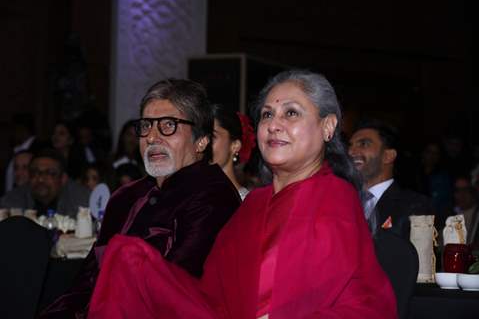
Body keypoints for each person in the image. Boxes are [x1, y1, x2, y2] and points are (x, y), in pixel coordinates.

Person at [87, 70, 397, 319]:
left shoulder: (333, 197)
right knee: (127, 257)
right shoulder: (256, 202)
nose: (274, 125)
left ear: (328, 127)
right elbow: (212, 292)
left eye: (291, 113)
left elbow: (334, 303)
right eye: (266, 115)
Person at [40, 79, 241, 318]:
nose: (153, 137)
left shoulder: (214, 195)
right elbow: (86, 280)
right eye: (146, 126)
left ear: (201, 140)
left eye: (168, 125)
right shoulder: (125, 197)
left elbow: (177, 285)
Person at [348, 119, 434, 239]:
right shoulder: (343, 200)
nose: (351, 152)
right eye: (350, 145)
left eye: (363, 144)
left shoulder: (414, 206)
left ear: (388, 156)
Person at [1, 149, 90, 217]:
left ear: (63, 178)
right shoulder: (12, 201)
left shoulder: (81, 200)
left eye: (50, 173)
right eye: (35, 172)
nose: (40, 179)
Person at [212, 104, 256, 200]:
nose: (203, 144)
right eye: (201, 136)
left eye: (212, 137)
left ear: (234, 145)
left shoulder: (246, 204)